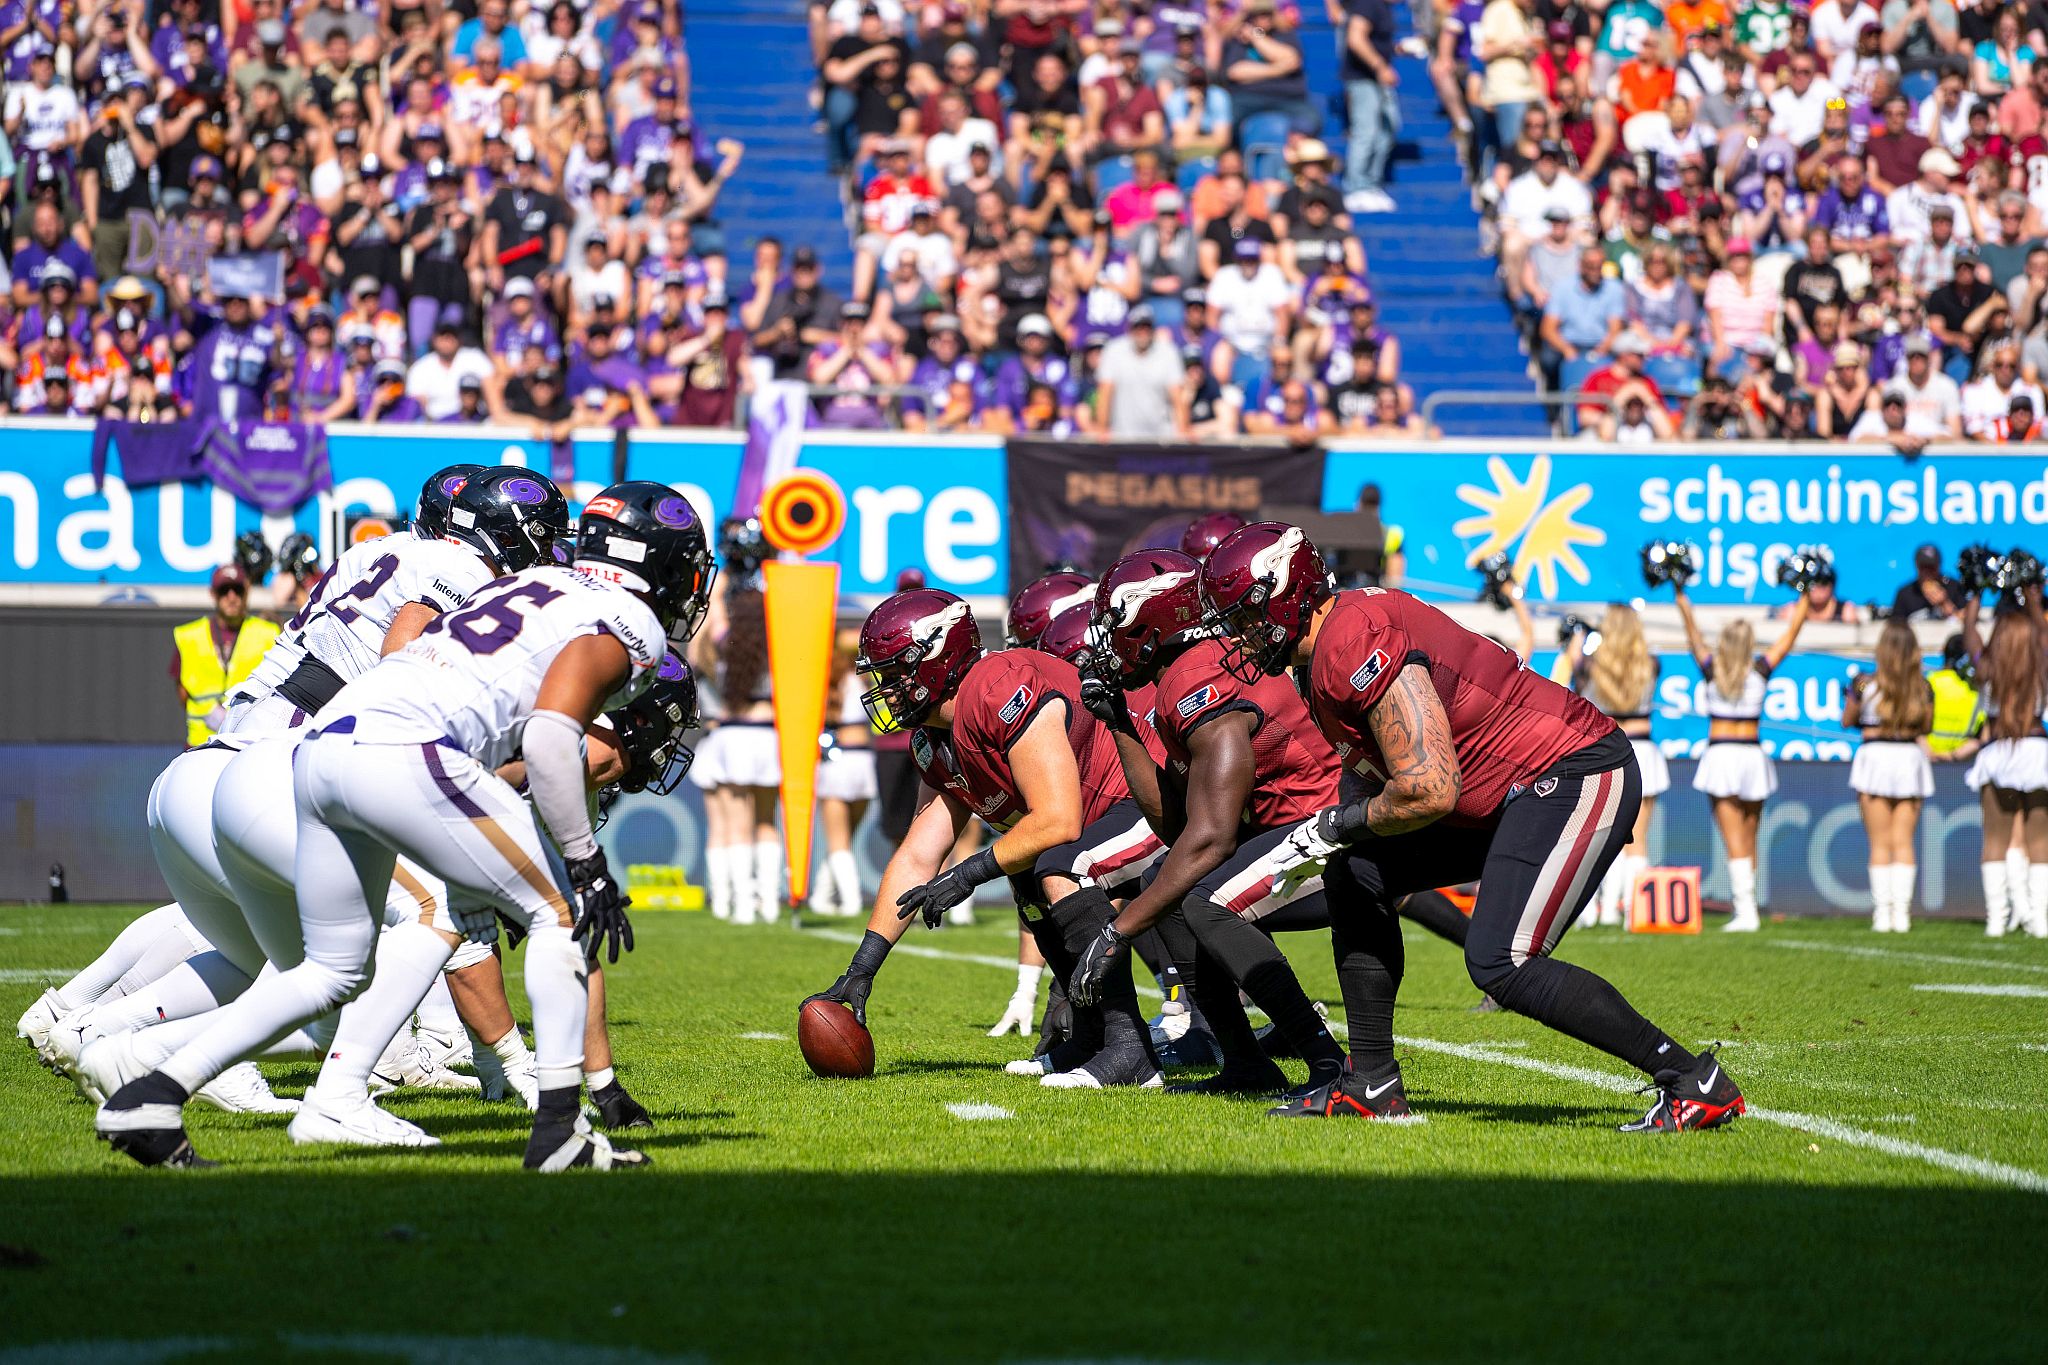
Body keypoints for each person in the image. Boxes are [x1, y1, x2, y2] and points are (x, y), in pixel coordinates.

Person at [94, 481, 715, 1171]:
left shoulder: (538, 583)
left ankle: (152, 1092)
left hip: (320, 748)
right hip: (405, 751)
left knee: (332, 971)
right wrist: (585, 860)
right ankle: (561, 1132)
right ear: (659, 562)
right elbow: (545, 739)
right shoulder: (629, 621)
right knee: (560, 914)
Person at [1198, 523, 1744, 1131]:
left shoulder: (1353, 638)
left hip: (1568, 769)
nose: (1237, 636)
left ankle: (1692, 1079)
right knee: (1358, 871)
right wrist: (1343, 830)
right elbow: (1374, 775)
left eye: (1243, 617)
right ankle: (1371, 1081)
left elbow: (1430, 787)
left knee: (1501, 960)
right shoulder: (1325, 650)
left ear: (1286, 596)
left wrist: (1333, 826)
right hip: (1503, 791)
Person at [804, 588, 1169, 1089]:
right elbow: (916, 856)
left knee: (1060, 866)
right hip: (1099, 814)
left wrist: (968, 874)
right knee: (1030, 885)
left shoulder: (999, 688)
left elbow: (1059, 819)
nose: (885, 691)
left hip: (1150, 795)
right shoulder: (933, 738)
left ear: (937, 659)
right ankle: (1090, 1039)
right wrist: (863, 967)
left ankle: (1130, 1051)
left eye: (894, 674)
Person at [1672, 577, 1812, 932]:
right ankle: (1747, 908)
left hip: (1722, 757)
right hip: (1752, 757)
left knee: (1734, 839)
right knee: (1749, 836)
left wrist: (1682, 598)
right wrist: (1804, 595)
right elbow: (1790, 636)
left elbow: (1693, 638)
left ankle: (1746, 911)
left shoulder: (1712, 672)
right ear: (1748, 645)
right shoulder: (1760, 672)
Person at [688, 523, 782, 925]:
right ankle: (769, 901)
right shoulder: (778, 639)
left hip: (730, 730)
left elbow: (696, 653)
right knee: (766, 821)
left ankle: (735, 903)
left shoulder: (723, 643)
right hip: (770, 731)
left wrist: (722, 587)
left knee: (733, 822)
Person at [1948, 591, 2048, 937]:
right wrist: (2034, 597)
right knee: (2040, 839)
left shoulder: (1987, 666)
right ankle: (2040, 919)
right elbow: (2044, 634)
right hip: (2036, 749)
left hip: (2000, 750)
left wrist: (1975, 594)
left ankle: (1996, 918)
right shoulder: (2042, 662)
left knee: (1994, 838)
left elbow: (1970, 630)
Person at [1564, 605, 1664, 928]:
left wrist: (1578, 644)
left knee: (1595, 833)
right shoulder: (1649, 664)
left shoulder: (1590, 667)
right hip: (1643, 751)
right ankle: (1629, 912)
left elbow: (1574, 679)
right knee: (1638, 837)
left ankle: (1593, 910)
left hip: (1604, 751)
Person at [1843, 619, 1936, 933]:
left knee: (1879, 843)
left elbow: (1847, 720)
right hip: (1909, 757)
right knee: (1903, 841)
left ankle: (1883, 915)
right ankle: (1902, 915)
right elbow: (1926, 727)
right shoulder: (1923, 688)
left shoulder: (1864, 684)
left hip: (1876, 757)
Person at [172, 566, 282, 749]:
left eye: (237, 590)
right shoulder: (189, 636)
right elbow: (182, 692)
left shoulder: (267, 633)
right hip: (199, 745)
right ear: (213, 594)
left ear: (246, 593)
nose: (231, 597)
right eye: (224, 590)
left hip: (248, 745)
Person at [814, 628, 879, 919]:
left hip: (836, 761)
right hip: (863, 761)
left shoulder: (831, 680)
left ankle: (851, 902)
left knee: (838, 838)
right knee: (844, 836)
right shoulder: (866, 679)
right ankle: (821, 895)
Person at [1892, 542, 1966, 620]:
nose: (1927, 572)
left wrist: (1944, 603)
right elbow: (1896, 626)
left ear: (1939, 565)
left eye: (1931, 567)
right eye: (1923, 567)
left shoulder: (1954, 587)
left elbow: (1966, 621)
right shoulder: (1905, 593)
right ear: (1916, 565)